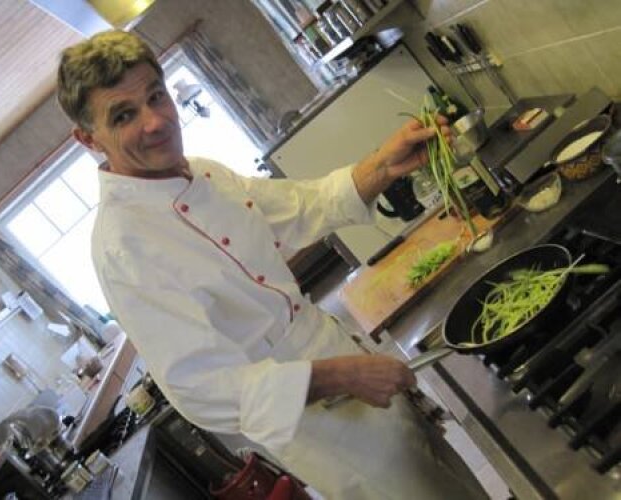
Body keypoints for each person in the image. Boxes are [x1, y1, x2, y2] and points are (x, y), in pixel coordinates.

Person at [57, 30, 487, 499]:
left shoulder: (204, 172)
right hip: (319, 423)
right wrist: (342, 375)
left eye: (156, 96)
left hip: (343, 353)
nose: (156, 121)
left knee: (456, 485)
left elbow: (300, 208)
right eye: (124, 115)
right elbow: (199, 388)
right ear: (88, 138)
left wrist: (383, 164)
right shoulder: (122, 246)